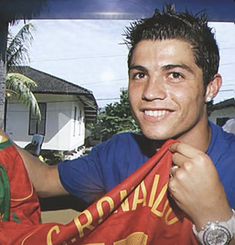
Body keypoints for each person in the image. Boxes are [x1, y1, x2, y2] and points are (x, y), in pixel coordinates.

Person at [16, 5, 235, 244]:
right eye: (140, 75)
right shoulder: (121, 152)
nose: (150, 93)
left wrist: (215, 218)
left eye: (175, 75)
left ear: (211, 88)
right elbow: (44, 179)